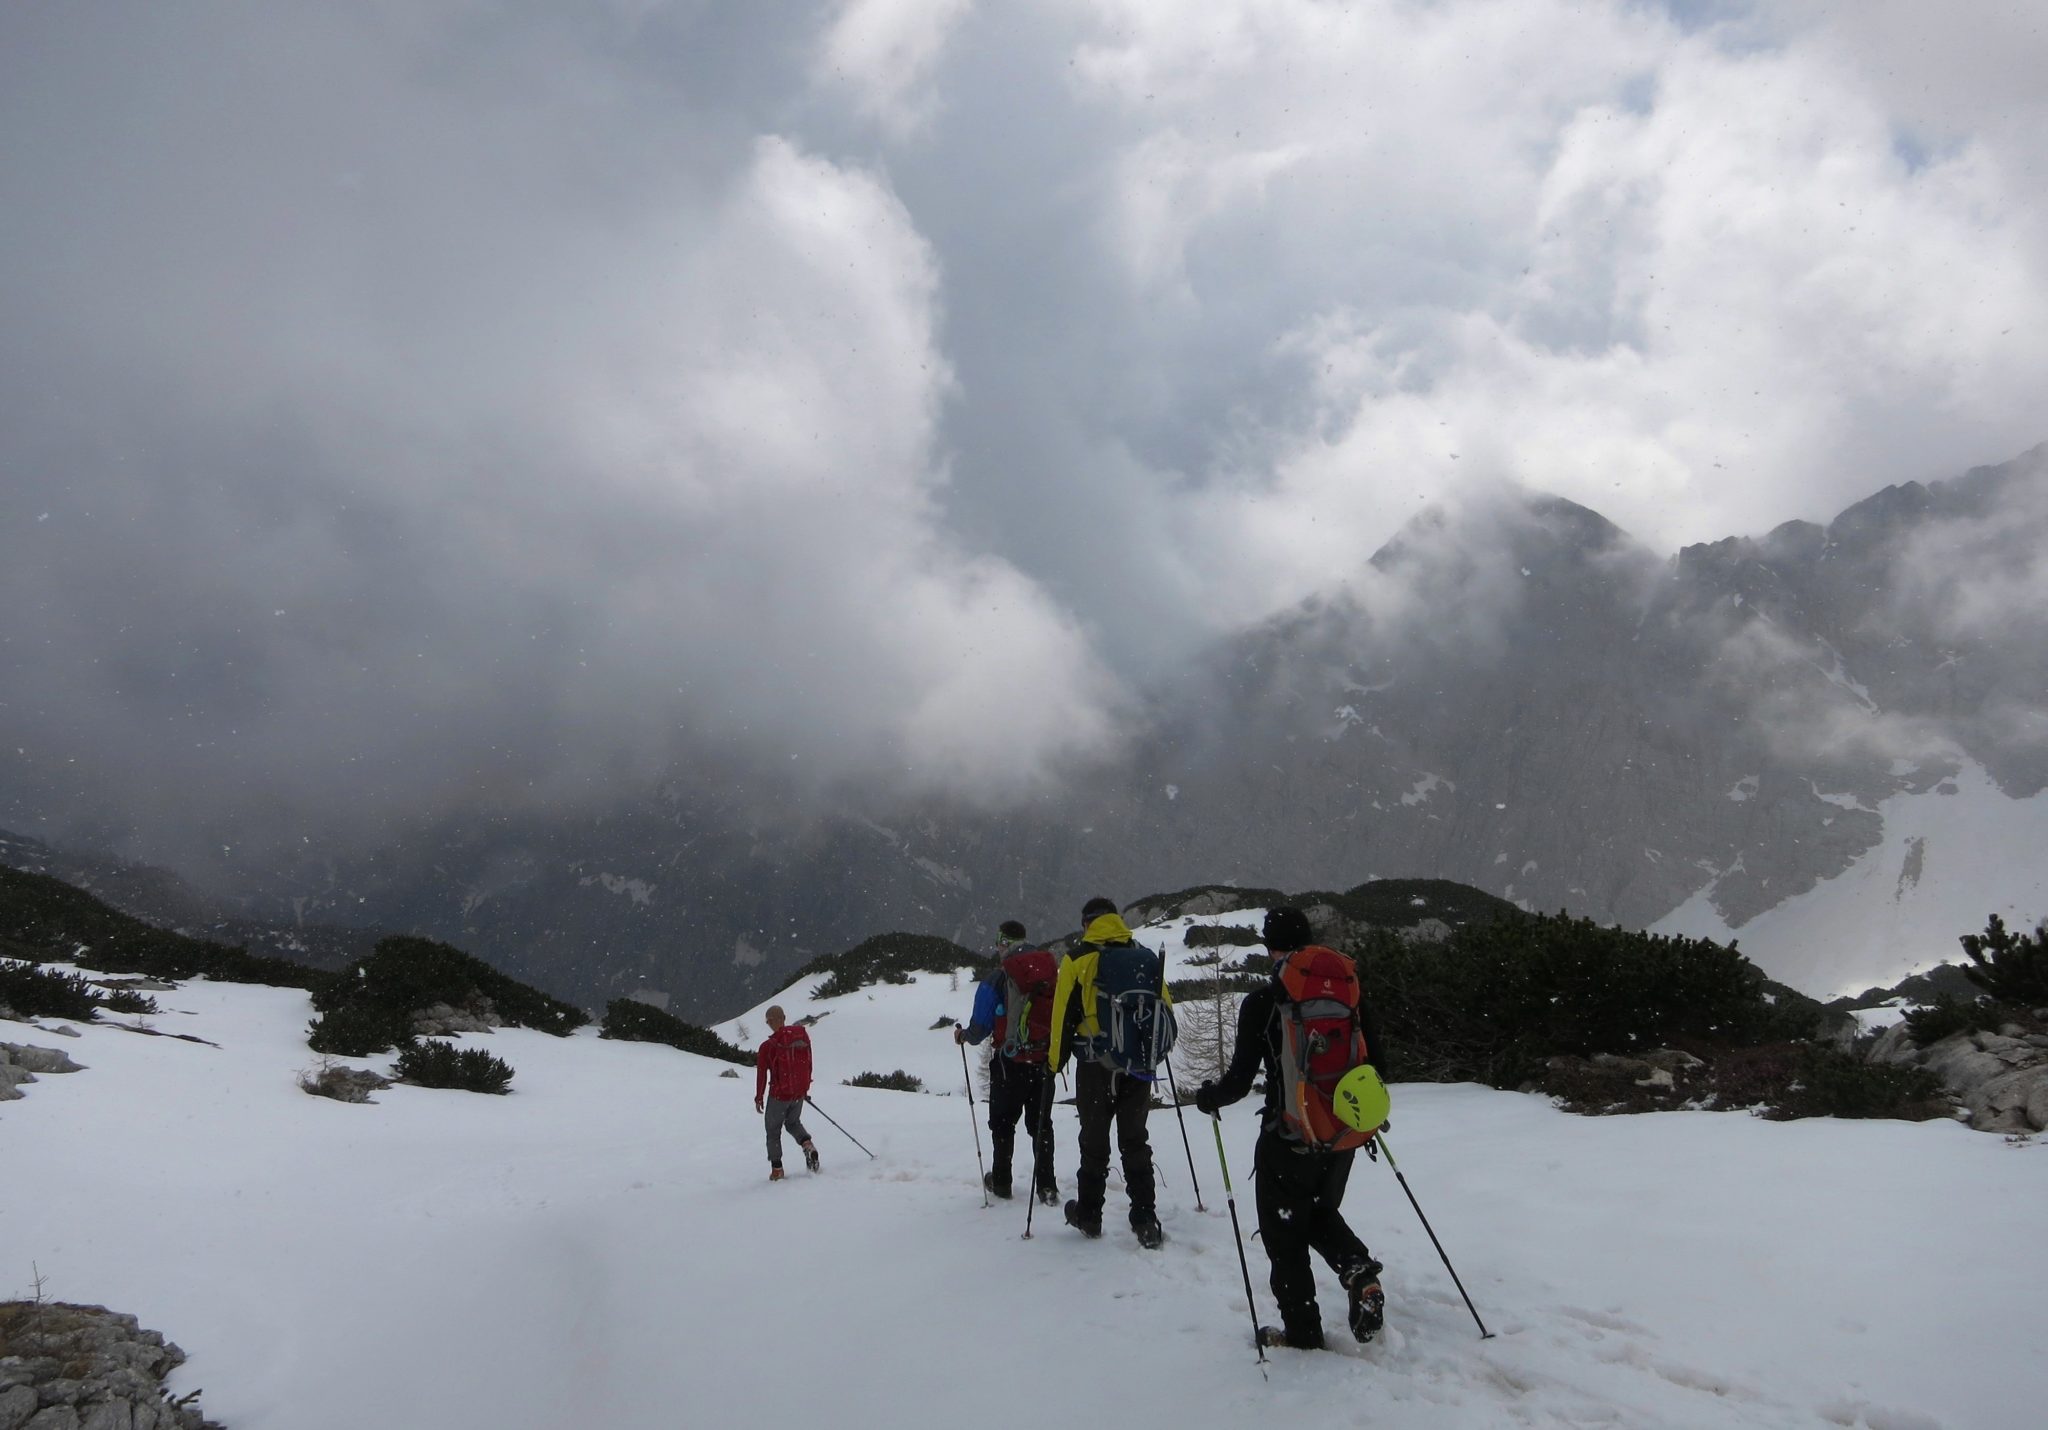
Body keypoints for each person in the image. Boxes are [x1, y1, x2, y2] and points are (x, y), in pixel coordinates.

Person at [1194, 905, 1388, 1350]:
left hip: (1289, 1140)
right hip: (1343, 1136)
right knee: (1318, 1213)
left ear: (1271, 948)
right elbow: (1378, 1067)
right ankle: (1359, 1272)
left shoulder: (1264, 1002)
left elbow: (1239, 1082)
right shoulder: (1350, 997)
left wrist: (1209, 1098)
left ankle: (1302, 1333)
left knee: (1285, 1237)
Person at [1048, 896, 1168, 1249]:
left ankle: (1089, 1214)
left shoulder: (1077, 959)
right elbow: (1163, 1008)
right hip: (1138, 1066)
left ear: (1086, 923)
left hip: (1094, 1064)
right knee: (1135, 1140)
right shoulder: (1144, 956)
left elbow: (1061, 1018)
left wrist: (1054, 1064)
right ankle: (1145, 1219)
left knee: (1094, 1141)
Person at [955, 919, 1060, 1204]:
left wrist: (963, 1035)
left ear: (1003, 942)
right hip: (1043, 1059)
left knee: (1002, 1123)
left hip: (1009, 1061)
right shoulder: (1049, 972)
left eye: (998, 943)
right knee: (1041, 1124)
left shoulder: (998, 977)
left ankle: (1001, 1181)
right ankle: (1047, 1186)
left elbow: (979, 1029)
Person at [754, 1005, 820, 1182]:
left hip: (778, 1095)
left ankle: (777, 1169)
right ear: (784, 1017)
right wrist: (804, 1089)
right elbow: (809, 1064)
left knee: (773, 1130)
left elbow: (762, 1074)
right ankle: (807, 1144)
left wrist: (759, 1096)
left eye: (768, 1021)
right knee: (793, 1122)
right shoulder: (801, 1038)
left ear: (770, 1021)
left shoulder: (767, 1046)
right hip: (798, 1093)